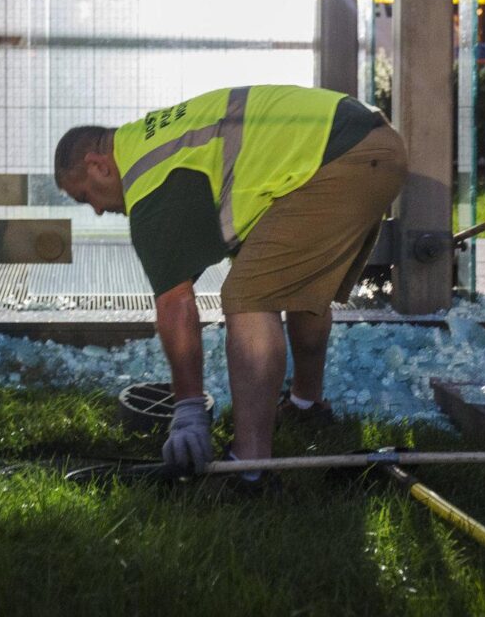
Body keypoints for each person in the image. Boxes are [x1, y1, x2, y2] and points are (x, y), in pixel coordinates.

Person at [54, 85, 407, 481]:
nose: (99, 210)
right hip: (375, 145)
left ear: (99, 165)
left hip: (341, 157)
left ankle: (250, 468)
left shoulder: (149, 180)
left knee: (247, 298)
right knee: (298, 291)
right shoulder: (159, 143)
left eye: (87, 197)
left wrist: (188, 410)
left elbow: (176, 305)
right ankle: (307, 408)